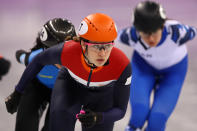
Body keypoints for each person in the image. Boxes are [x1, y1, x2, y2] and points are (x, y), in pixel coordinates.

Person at [5, 13, 132, 131]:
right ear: (82, 44)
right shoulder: (67, 51)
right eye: (96, 46)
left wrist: (99, 117)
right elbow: (35, 60)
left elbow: (120, 110)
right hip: (69, 88)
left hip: (101, 95)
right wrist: (17, 92)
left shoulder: (122, 65)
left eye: (108, 45)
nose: (103, 53)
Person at [117, 1, 197, 131]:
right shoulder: (131, 35)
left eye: (154, 32)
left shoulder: (178, 32)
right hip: (143, 68)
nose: (151, 39)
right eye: (145, 34)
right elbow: (105, 36)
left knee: (157, 120)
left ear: (162, 26)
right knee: (138, 114)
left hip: (173, 74)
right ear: (137, 30)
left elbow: (194, 31)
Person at [5, 18, 76, 131]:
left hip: (63, 94)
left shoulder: (82, 61)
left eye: (67, 51)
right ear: (46, 50)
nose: (61, 59)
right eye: (56, 53)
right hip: (37, 88)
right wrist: (17, 94)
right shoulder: (36, 57)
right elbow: (20, 55)